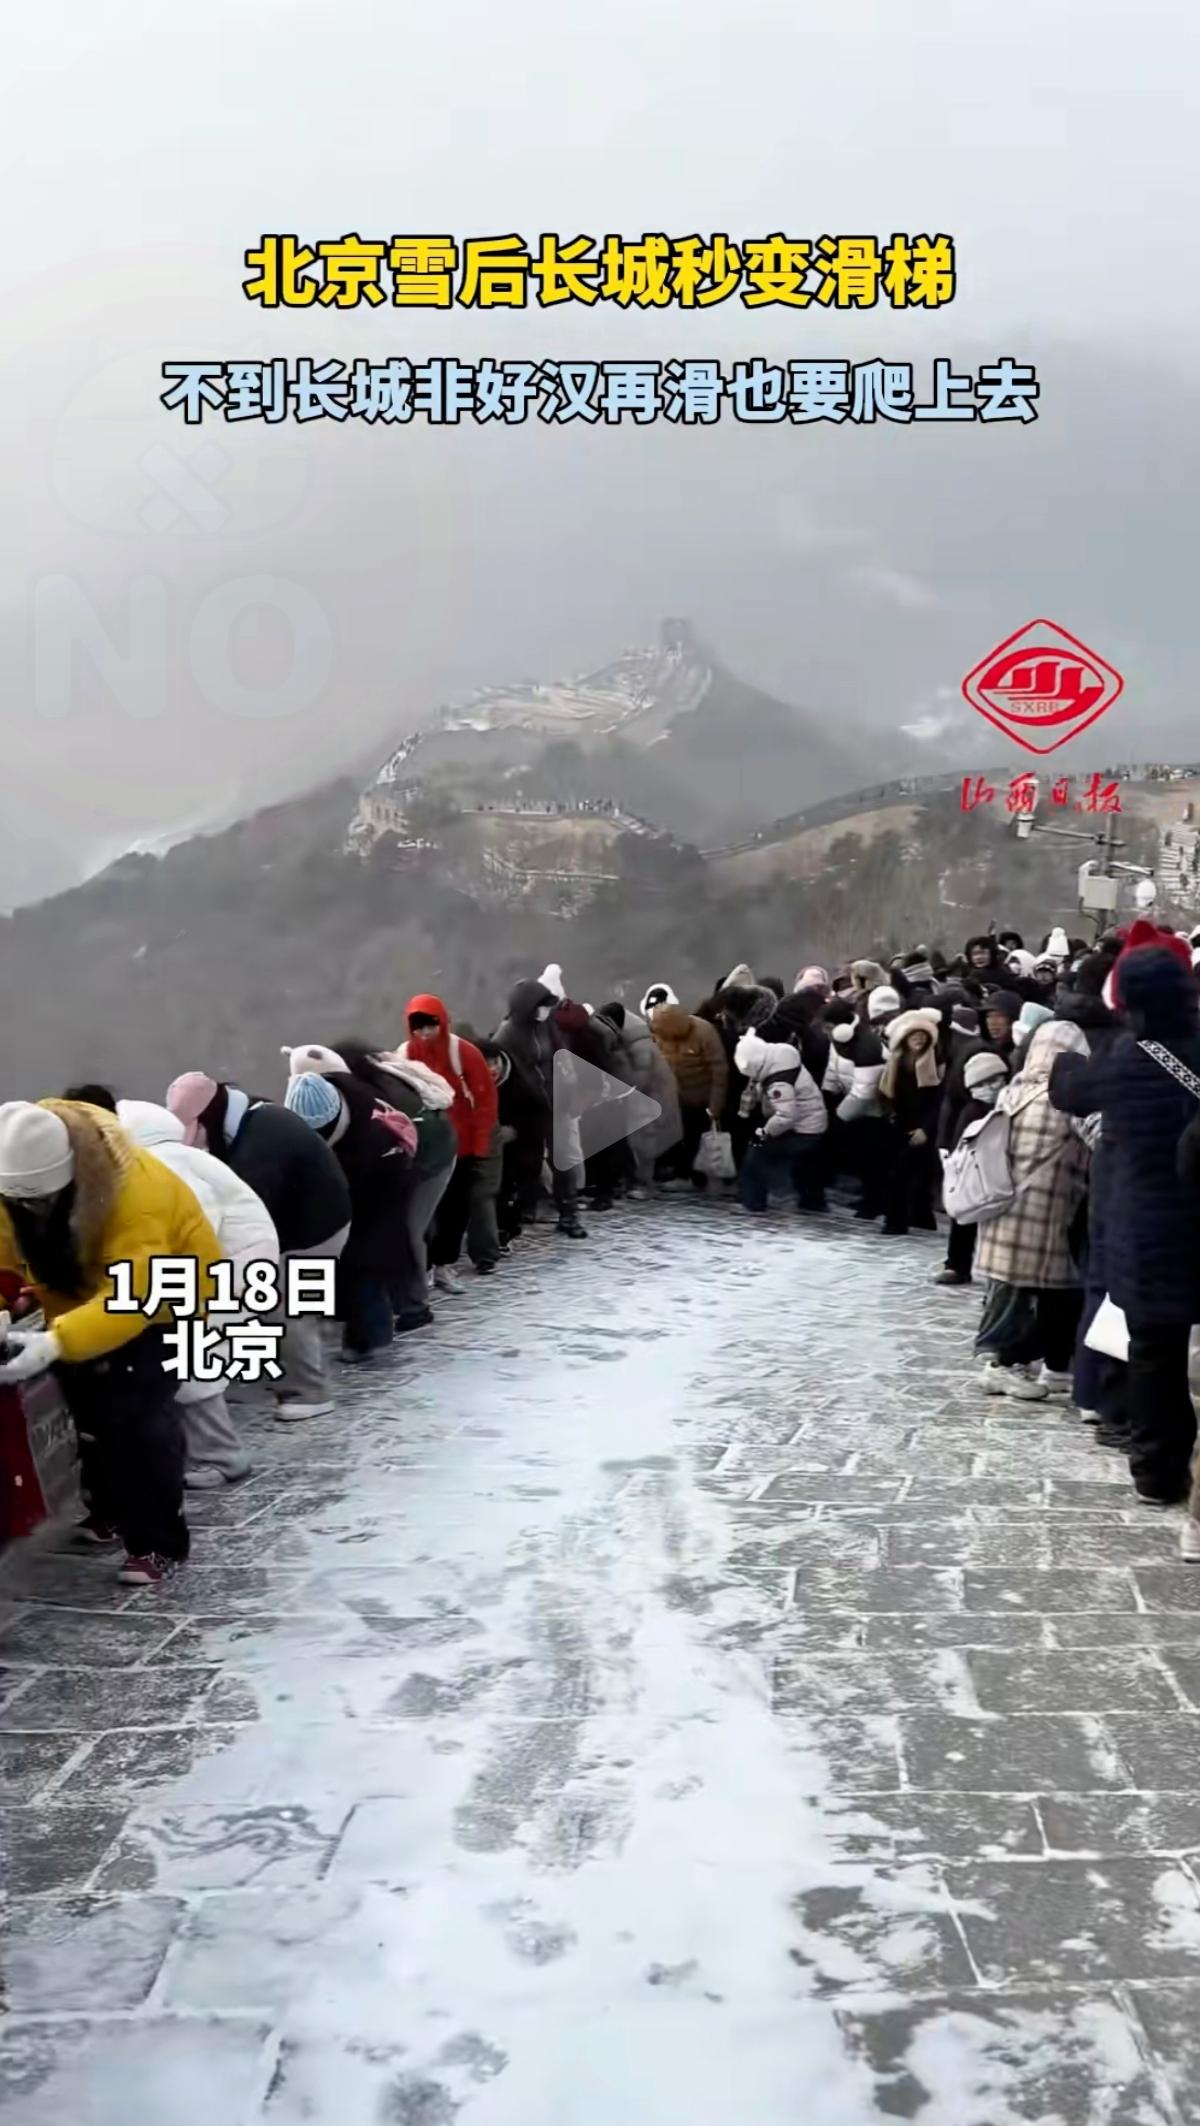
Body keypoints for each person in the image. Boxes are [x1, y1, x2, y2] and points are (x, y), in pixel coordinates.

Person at [0, 1097, 222, 1585]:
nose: (29, 1210)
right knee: (89, 1417)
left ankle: (160, 1542)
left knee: (138, 1423)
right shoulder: (16, 1159)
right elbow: (2, 1243)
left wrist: (56, 1342)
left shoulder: (134, 1192)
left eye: (40, 1200)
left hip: (161, 1302)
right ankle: (110, 1511)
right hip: (79, 1298)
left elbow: (134, 1296)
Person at [1050, 947, 1200, 1508]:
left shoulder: (1127, 1057)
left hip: (1148, 1234)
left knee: (1154, 1355)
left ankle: (1158, 1474)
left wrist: (1065, 1058)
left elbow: (1069, 1091)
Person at [166, 1073, 351, 1420]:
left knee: (290, 1309)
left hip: (315, 1232)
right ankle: (263, 1374)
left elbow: (247, 1214)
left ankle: (312, 1392)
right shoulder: (248, 1116)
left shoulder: (259, 1145)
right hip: (302, 1222)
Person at [117, 1099, 279, 1488]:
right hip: (235, 1269)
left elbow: (194, 1227)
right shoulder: (180, 1156)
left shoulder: (165, 1165)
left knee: (192, 1364)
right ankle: (209, 1450)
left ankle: (223, 1458)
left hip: (226, 1274)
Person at [974, 1021, 1091, 1400]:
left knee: (1017, 1288)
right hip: (1049, 1210)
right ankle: (1004, 1366)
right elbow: (1101, 1138)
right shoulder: (1067, 1095)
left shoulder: (1013, 1090)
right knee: (1046, 1291)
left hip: (1004, 1206)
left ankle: (1047, 1367)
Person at [283, 1071, 417, 1356]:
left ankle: (373, 1339)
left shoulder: (375, 1138)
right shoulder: (330, 1118)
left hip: (377, 1206)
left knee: (367, 1268)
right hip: (345, 1207)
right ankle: (351, 1331)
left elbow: (384, 1196)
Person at [330, 1041, 458, 1328]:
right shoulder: (371, 1088)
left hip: (430, 1162)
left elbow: (407, 1146)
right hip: (414, 1159)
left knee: (408, 1231)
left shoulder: (383, 1095)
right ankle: (403, 1298)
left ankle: (416, 1306)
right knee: (399, 1230)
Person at [397, 994, 497, 1292]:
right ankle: (424, 1266)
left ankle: (443, 1266)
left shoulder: (463, 1053)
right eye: (419, 1027)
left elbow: (485, 1100)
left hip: (462, 1147)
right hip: (424, 1148)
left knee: (455, 1211)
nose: (426, 1034)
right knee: (425, 1213)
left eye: (431, 1026)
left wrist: (480, 1146)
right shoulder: (403, 1057)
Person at [493, 978, 586, 1237]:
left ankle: (568, 1214)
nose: (545, 1011)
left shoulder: (546, 1026)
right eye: (541, 1006)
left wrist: (571, 1086)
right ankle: (526, 1208)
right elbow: (505, 1078)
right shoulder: (506, 1034)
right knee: (528, 1162)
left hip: (556, 1101)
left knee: (563, 1160)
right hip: (527, 1107)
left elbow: (562, 1054)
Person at [933, 1049, 1009, 1287]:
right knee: (965, 1216)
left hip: (1003, 1171)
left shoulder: (1009, 1106)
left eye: (995, 1079)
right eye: (984, 1082)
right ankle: (957, 1263)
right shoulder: (971, 1112)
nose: (991, 1086)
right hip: (973, 1172)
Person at [734, 1028, 827, 1211]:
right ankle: (812, 1202)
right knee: (803, 1169)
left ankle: (753, 1201)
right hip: (811, 1124)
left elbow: (785, 1116)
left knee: (756, 1153)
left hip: (802, 1129)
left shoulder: (779, 1082)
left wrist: (764, 1133)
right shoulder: (778, 1058)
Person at [593, 1001, 681, 1196]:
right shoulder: (632, 1038)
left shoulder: (637, 1043)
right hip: (647, 1094)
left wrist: (618, 1090)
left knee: (645, 1140)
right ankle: (636, 1181)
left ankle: (644, 1184)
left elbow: (641, 1075)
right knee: (637, 1139)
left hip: (651, 1095)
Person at [649, 997, 729, 1185]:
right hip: (673, 1097)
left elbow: (719, 1070)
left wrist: (715, 1106)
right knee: (675, 1136)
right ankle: (678, 1173)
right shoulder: (659, 1032)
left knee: (694, 1137)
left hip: (699, 1097)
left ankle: (694, 1175)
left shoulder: (704, 1032)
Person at [878, 1010, 944, 1234]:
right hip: (899, 1126)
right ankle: (919, 1221)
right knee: (902, 1175)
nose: (919, 1039)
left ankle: (897, 1223)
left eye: (923, 1036)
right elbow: (886, 1094)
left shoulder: (935, 1064)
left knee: (908, 1175)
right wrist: (890, 1115)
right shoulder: (895, 1062)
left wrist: (925, 1129)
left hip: (923, 1129)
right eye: (914, 1035)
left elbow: (939, 1101)